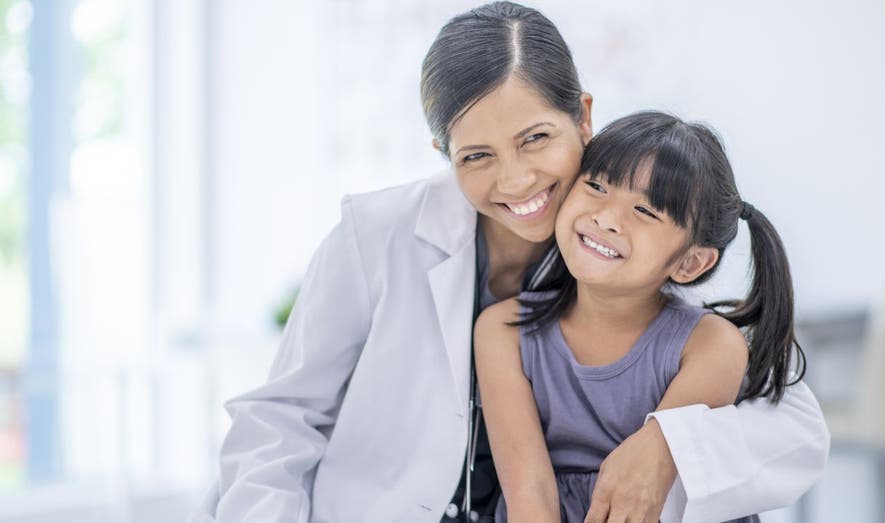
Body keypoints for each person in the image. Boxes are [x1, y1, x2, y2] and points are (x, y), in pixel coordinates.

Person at [189, 3, 829, 522]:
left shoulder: (624, 245)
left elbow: (793, 426)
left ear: (581, 115)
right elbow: (279, 421)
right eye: (476, 156)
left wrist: (669, 445)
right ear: (443, 152)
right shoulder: (377, 234)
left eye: (536, 139)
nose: (517, 180)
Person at [476, 111, 801, 523]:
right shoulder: (504, 331)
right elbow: (529, 497)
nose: (606, 218)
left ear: (690, 263)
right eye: (595, 186)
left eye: (645, 211)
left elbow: (652, 490)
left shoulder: (710, 345)